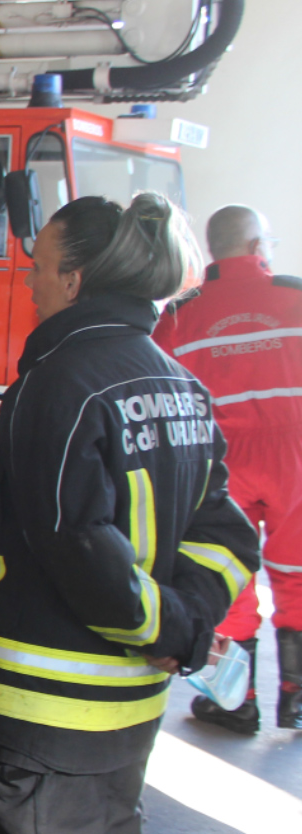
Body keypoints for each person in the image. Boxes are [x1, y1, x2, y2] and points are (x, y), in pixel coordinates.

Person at [0, 194, 258, 834]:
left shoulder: (58, 380)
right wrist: (190, 626)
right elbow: (229, 532)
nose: (31, 275)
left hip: (44, 706)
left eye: (42, 263)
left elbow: (74, 540)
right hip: (127, 709)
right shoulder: (176, 380)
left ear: (76, 279)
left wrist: (166, 626)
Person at [152, 205, 302, 734]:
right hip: (296, 457)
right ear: (259, 245)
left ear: (212, 249)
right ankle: (299, 703)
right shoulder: (296, 297)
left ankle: (234, 703)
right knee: (298, 576)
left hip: (220, 457)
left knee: (226, 573)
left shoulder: (179, 314)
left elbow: (159, 390)